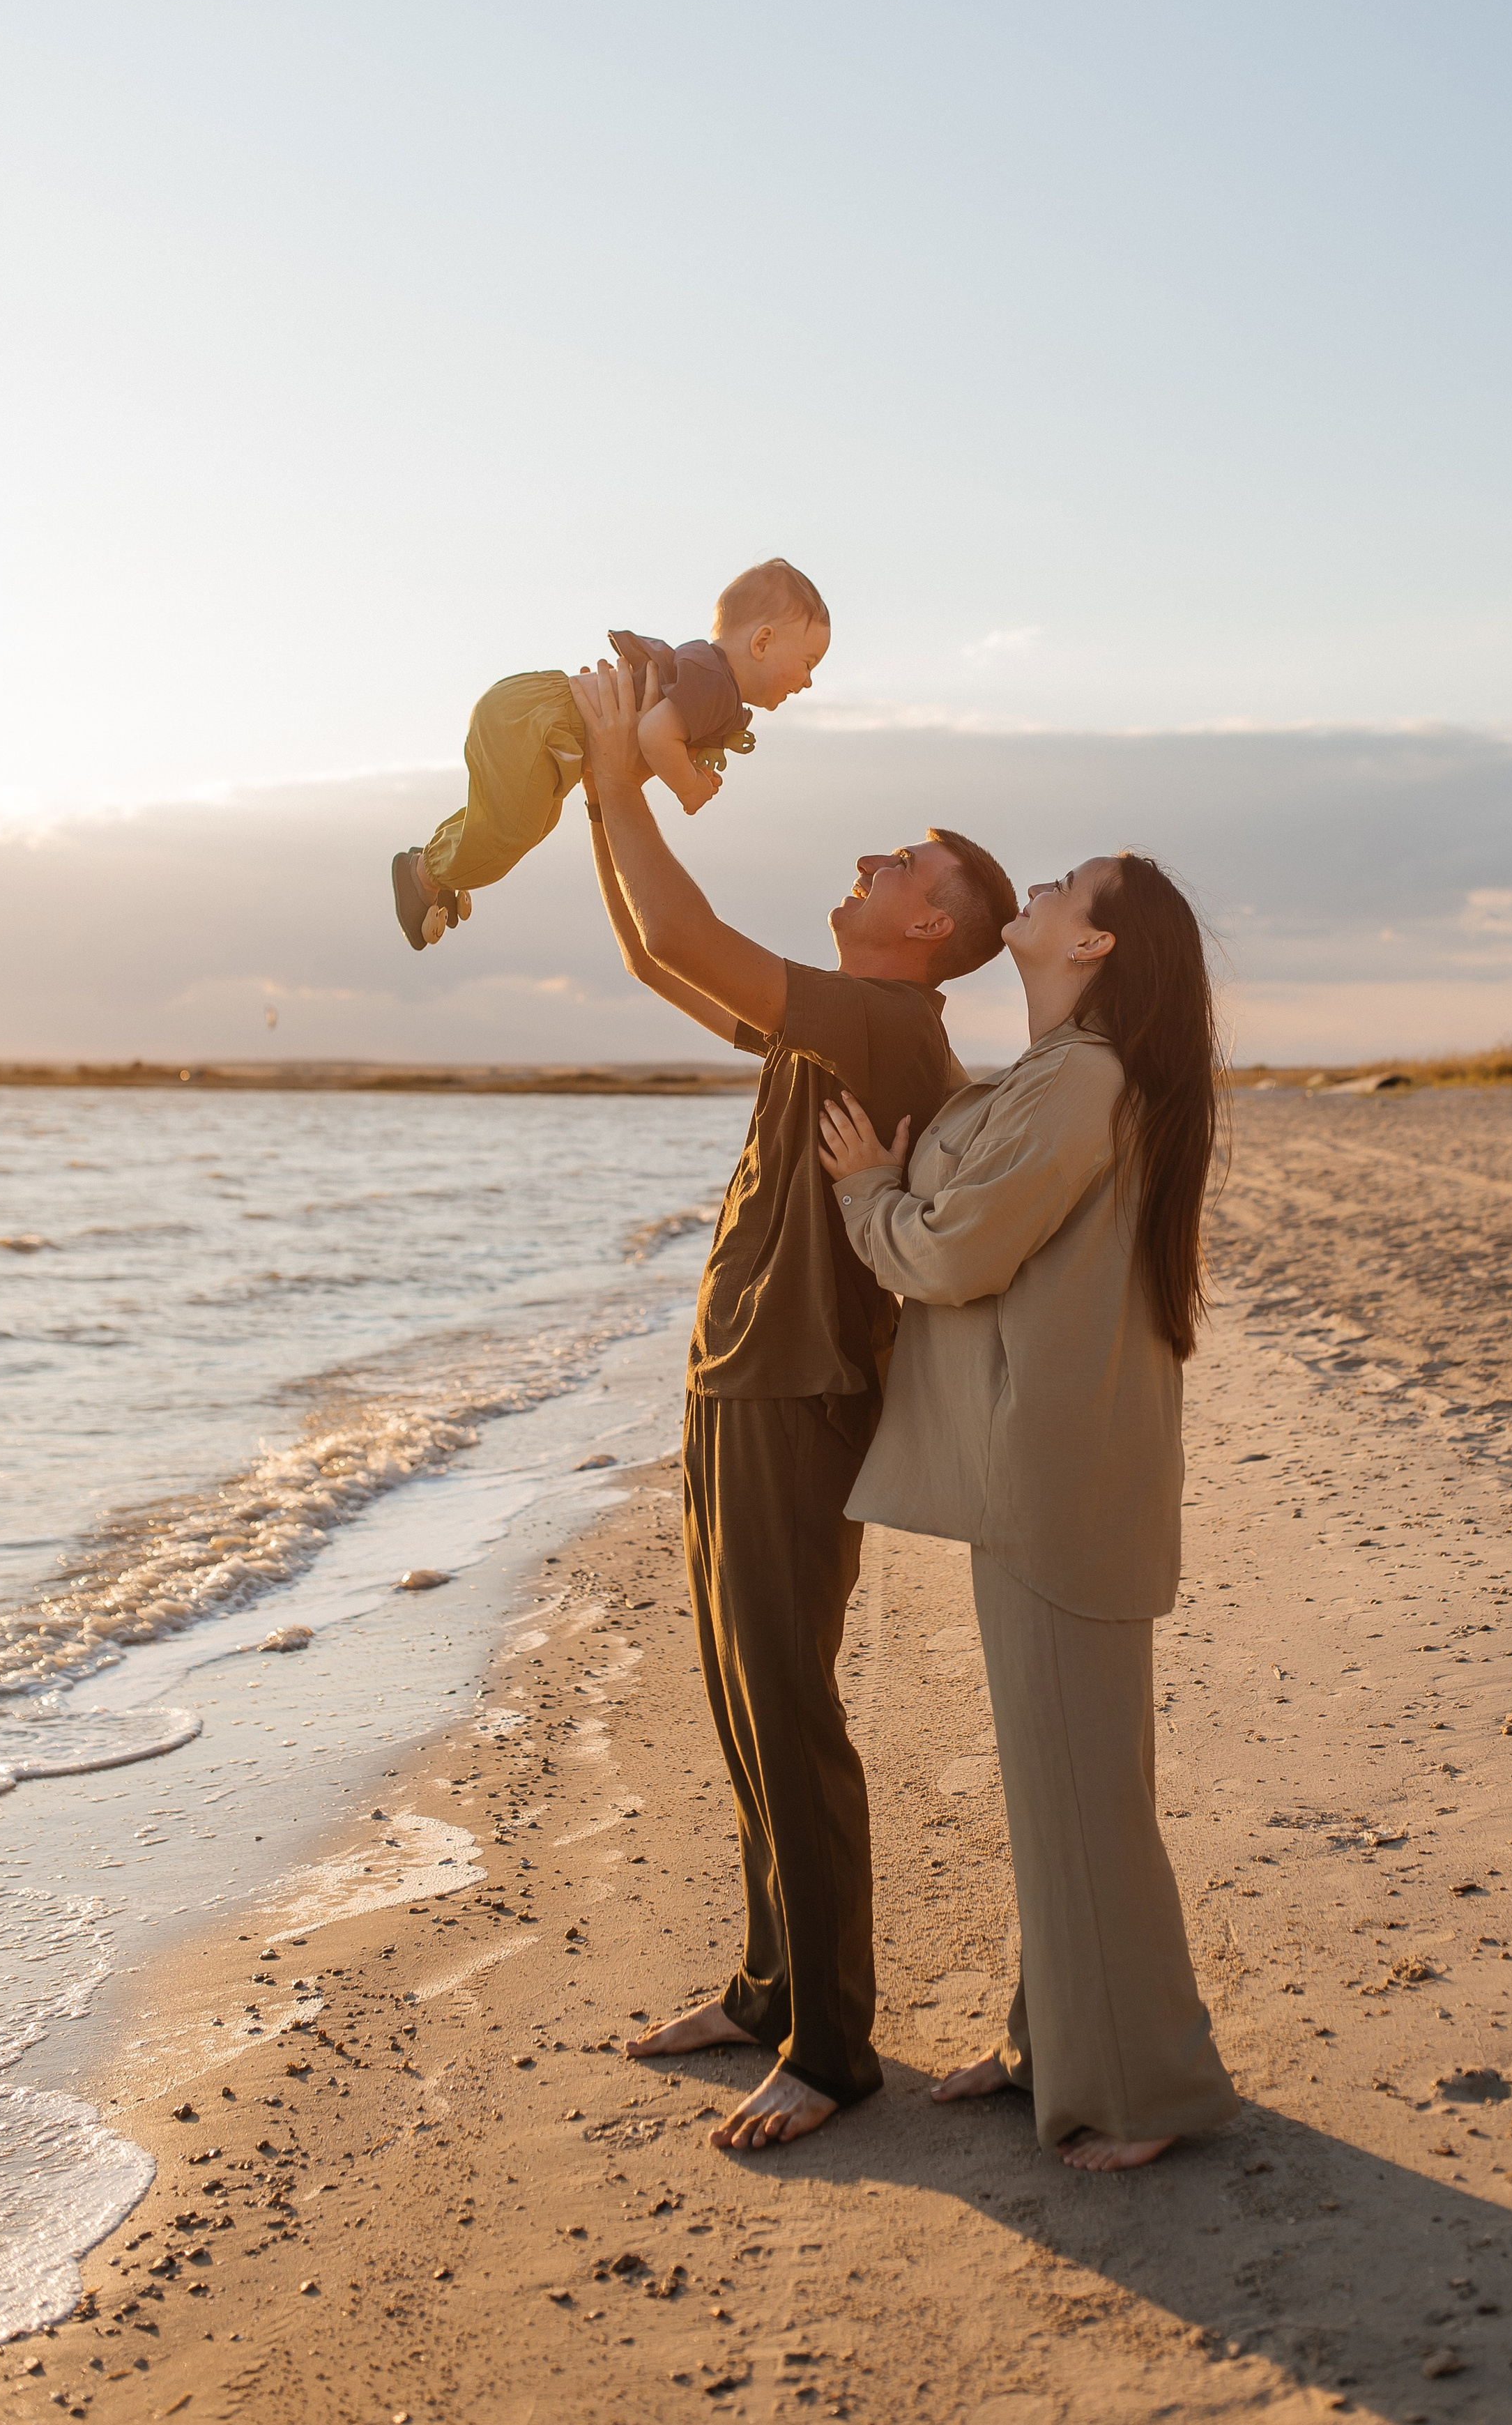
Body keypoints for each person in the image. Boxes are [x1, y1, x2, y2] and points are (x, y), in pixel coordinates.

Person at [569, 652, 1017, 2151]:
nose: (868, 861)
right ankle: (767, 1991)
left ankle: (832, 2047)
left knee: (790, 1709)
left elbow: (688, 923)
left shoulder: (892, 1031)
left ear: (930, 927)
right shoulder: (836, 1015)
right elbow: (655, 956)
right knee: (737, 1702)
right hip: (725, 1376)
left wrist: (623, 773)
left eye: (901, 861)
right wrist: (590, 787)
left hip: (798, 1392)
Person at [816, 850, 1240, 2171]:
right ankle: (1053, 2038)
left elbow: (952, 1250)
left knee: (1083, 1792)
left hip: (1063, 1479)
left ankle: (1140, 2091)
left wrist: (860, 1196)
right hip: (1053, 1471)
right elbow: (978, 1183)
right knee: (1057, 1781)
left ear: (1097, 945)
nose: (1043, 888)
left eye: (1068, 883)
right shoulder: (1061, 1076)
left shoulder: (1090, 1083)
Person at [390, 558, 829, 949]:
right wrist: (689, 788)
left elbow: (661, 732)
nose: (808, 681)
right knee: (511, 833)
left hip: (533, 714)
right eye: (808, 663)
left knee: (533, 819)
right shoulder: (715, 685)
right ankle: (425, 875)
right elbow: (658, 736)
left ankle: (443, 865)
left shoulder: (710, 678)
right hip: (538, 724)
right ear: (763, 642)